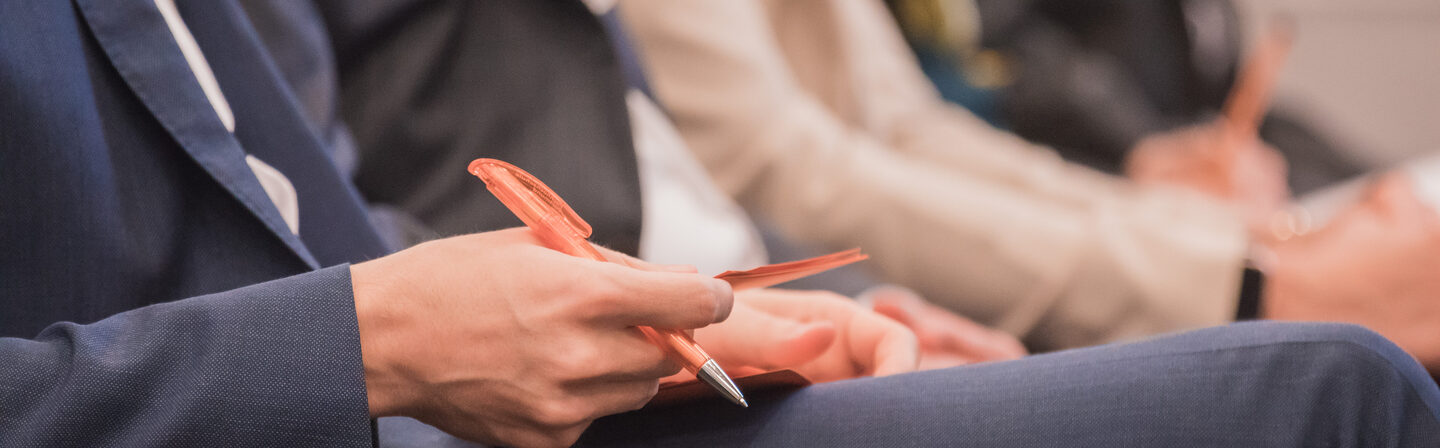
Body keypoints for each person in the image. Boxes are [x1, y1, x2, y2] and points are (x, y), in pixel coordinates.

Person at [3, 1, 1440, 447]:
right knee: (1321, 385)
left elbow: (320, 217)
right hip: (362, 407)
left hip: (600, 356)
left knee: (1334, 379)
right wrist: (359, 344)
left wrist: (750, 317)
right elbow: (801, 154)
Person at [618, 0, 1440, 361]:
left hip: (894, 285)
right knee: (1343, 378)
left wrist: (1240, 248)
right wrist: (1242, 285)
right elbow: (787, 172)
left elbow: (908, 126)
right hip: (799, 308)